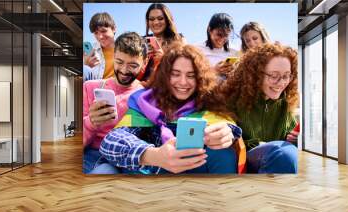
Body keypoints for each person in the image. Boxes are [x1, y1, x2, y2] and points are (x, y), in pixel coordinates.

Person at [94, 43, 242, 174]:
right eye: (175, 74)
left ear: (200, 79)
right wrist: (154, 155)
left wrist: (226, 133)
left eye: (191, 75)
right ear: (164, 76)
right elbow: (111, 141)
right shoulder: (145, 101)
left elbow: (227, 126)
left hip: (191, 178)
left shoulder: (209, 101)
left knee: (224, 154)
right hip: (147, 175)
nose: (183, 82)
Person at [220, 43, 299, 174]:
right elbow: (229, 142)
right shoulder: (233, 100)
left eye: (286, 76)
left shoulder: (285, 104)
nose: (281, 83)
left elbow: (290, 142)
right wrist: (257, 145)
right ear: (256, 74)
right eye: (274, 76)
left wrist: (296, 139)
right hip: (245, 162)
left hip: (277, 164)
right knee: (284, 153)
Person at [83, 32, 147, 173]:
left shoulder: (145, 96)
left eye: (132, 65)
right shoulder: (90, 88)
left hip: (126, 159)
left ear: (144, 63)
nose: (124, 70)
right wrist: (90, 123)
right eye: (119, 62)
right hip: (92, 155)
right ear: (113, 58)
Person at [137, 3, 184, 82]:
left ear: (167, 19)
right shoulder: (140, 40)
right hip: (143, 86)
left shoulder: (179, 39)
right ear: (147, 21)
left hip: (168, 84)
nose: (155, 22)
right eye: (151, 19)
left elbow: (185, 65)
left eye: (160, 18)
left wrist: (164, 58)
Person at [196, 13, 238, 79]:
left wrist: (233, 72)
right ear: (209, 30)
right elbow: (192, 76)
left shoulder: (234, 51)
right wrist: (214, 71)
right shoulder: (197, 50)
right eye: (219, 34)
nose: (222, 39)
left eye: (226, 35)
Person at [83, 12, 116, 81]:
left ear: (114, 29)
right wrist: (86, 66)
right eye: (96, 33)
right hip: (97, 89)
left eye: (104, 31)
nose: (100, 37)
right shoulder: (89, 51)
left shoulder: (124, 48)